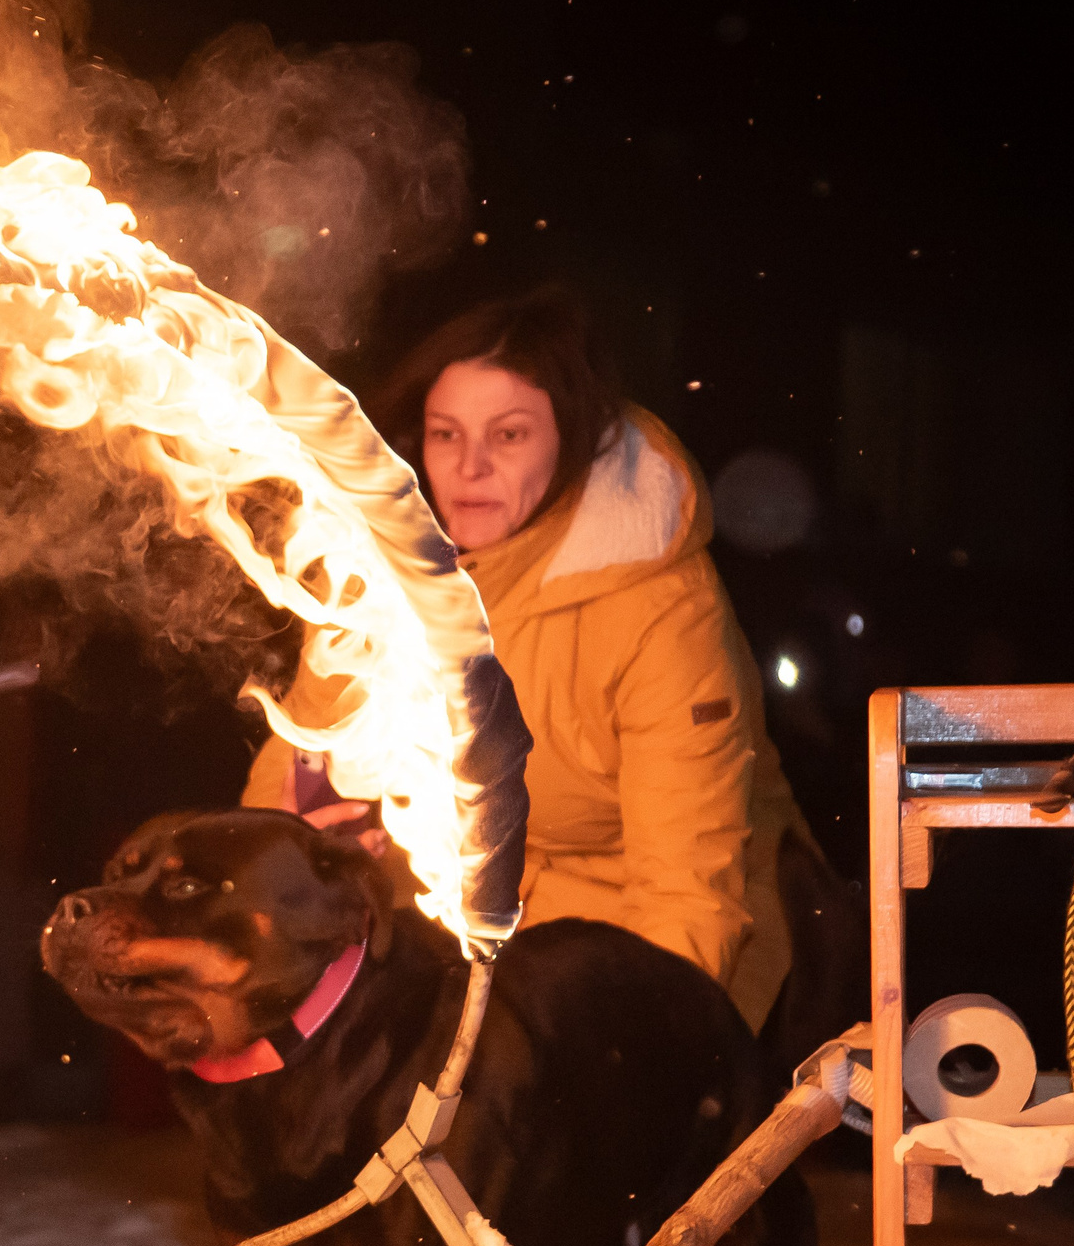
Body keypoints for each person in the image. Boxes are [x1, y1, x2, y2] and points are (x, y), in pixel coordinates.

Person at [244, 288, 848, 1058]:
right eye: (445, 434)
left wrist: (642, 1053)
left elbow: (690, 887)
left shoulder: (659, 606)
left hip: (644, 940)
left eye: (510, 434)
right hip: (459, 934)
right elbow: (296, 764)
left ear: (570, 441)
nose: (469, 467)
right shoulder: (376, 573)